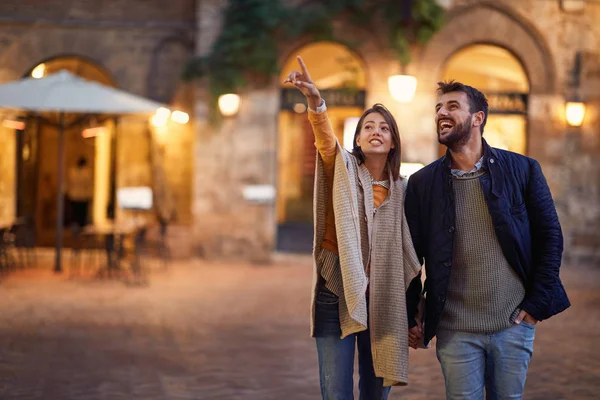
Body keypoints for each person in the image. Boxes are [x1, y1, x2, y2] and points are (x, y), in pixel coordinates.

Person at [405, 80, 571, 399]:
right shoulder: (422, 183)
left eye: (452, 106)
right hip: (454, 328)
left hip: (513, 323)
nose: (442, 113)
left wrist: (535, 304)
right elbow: (411, 256)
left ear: (478, 117)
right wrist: (411, 312)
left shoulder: (522, 170)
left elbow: (550, 236)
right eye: (438, 108)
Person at [284, 56, 421, 399]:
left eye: (384, 128)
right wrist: (316, 102)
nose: (376, 132)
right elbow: (325, 139)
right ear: (357, 139)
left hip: (384, 299)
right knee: (336, 392)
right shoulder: (341, 168)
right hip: (337, 293)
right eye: (369, 127)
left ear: (393, 143)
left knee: (376, 394)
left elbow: (412, 254)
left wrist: (416, 311)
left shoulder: (405, 192)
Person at [66, 156, 93, 232]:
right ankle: (78, 231)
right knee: (79, 216)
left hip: (76, 196)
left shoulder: (73, 172)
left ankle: (78, 231)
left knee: (77, 215)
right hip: (80, 197)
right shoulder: (85, 172)